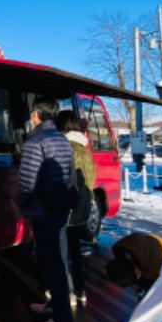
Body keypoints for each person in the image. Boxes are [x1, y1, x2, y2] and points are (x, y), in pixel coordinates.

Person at [17, 96, 75, 322]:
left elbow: (28, 182)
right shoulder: (61, 138)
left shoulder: (35, 141)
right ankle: (54, 306)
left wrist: (20, 203)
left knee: (52, 264)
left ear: (35, 114)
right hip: (60, 208)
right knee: (57, 260)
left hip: (43, 211)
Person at [55, 110, 96, 306]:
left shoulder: (66, 148)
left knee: (63, 254)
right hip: (82, 209)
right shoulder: (85, 149)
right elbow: (91, 180)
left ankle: (67, 292)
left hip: (68, 209)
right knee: (76, 251)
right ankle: (81, 290)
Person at [105, 232, 162, 296]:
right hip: (154, 246)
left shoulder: (158, 268)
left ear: (137, 271)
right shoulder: (125, 247)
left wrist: (140, 285)